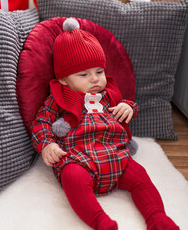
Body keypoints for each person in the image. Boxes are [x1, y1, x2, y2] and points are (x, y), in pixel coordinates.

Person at [31, 18, 179, 230]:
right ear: (64, 80)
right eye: (84, 75)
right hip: (78, 157)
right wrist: (46, 144)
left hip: (115, 153)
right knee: (72, 178)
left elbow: (125, 105)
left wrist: (128, 108)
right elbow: (41, 122)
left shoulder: (107, 94)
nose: (95, 80)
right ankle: (100, 221)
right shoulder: (59, 97)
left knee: (141, 178)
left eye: (99, 72)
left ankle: (157, 218)